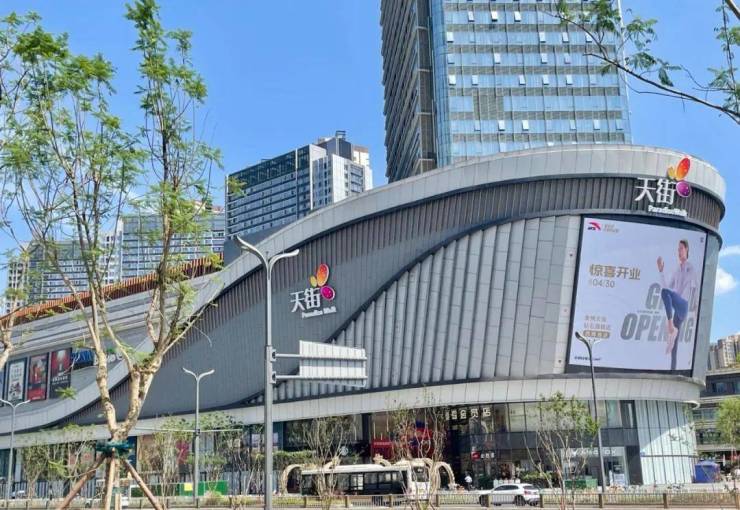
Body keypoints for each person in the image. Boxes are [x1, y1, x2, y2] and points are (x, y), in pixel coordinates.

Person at [657, 239, 697, 370]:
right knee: (673, 349)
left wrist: (696, 311)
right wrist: (661, 271)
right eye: (678, 249)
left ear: (687, 250)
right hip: (677, 312)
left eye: (681, 248)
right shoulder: (676, 270)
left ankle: (671, 327)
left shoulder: (690, 268)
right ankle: (672, 371)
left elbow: (695, 290)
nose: (679, 251)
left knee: (666, 293)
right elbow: (666, 288)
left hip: (683, 305)